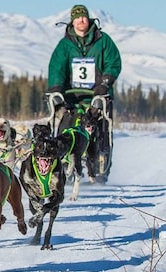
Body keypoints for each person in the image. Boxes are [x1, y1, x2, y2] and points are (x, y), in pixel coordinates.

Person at [46, 4, 122, 182]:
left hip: (98, 94)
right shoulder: (65, 45)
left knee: (100, 126)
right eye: (77, 17)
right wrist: (56, 89)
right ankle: (63, 162)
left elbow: (113, 62)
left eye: (84, 17)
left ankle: (101, 163)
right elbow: (56, 67)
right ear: (72, 21)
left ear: (88, 19)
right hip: (71, 96)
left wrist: (105, 83)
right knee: (65, 125)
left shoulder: (103, 41)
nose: (81, 20)